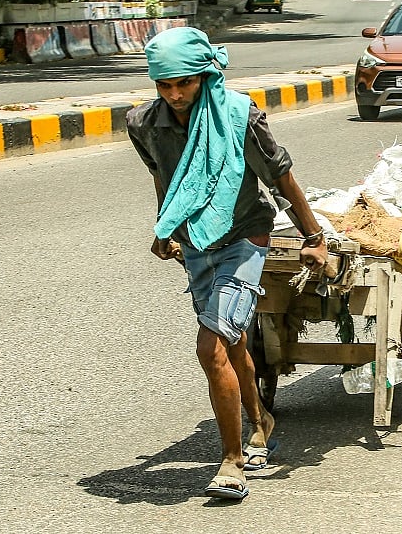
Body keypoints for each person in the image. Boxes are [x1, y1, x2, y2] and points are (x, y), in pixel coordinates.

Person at [126, 27, 329, 501]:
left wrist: (314, 238)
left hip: (245, 234)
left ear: (204, 75)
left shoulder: (239, 116)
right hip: (195, 239)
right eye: (164, 85)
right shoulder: (142, 123)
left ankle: (231, 460)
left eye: (185, 83)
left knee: (210, 344)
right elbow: (165, 176)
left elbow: (280, 178)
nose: (175, 94)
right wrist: (164, 228)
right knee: (231, 340)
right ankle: (261, 421)